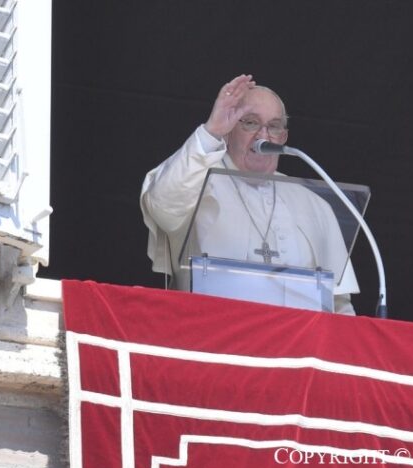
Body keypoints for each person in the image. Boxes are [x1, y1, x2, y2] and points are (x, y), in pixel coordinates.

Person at [140, 74, 358, 314]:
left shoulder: (314, 205)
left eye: (273, 126)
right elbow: (163, 206)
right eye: (251, 123)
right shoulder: (196, 181)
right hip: (211, 339)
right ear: (230, 129)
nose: (263, 136)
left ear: (283, 137)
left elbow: (339, 305)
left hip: (297, 346)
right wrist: (211, 132)